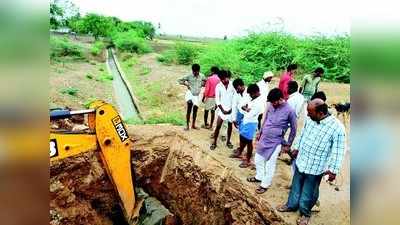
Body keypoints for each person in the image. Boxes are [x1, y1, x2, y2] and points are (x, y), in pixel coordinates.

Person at [277, 99, 346, 225]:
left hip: (316, 168)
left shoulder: (337, 128)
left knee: (308, 194)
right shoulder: (310, 120)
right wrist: (296, 148)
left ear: (320, 112)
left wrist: (333, 171)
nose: (307, 115)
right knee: (296, 187)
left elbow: (339, 151)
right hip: (301, 161)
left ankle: (305, 213)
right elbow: (302, 135)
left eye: (310, 112)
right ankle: (291, 205)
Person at [247, 88, 297, 194]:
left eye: (274, 102)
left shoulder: (290, 110)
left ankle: (265, 184)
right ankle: (259, 176)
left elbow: (294, 129)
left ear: (280, 99)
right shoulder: (270, 105)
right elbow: (265, 119)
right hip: (265, 137)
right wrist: (260, 132)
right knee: (258, 159)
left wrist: (288, 144)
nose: (272, 104)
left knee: (270, 163)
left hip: (276, 141)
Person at [230, 84, 264, 168]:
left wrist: (245, 109)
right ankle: (240, 152)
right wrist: (246, 109)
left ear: (256, 92)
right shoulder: (253, 98)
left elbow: (250, 113)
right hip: (245, 121)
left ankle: (248, 160)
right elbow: (243, 107)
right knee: (242, 137)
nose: (250, 96)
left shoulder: (260, 102)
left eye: (251, 94)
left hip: (251, 123)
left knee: (249, 142)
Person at [210, 70, 235, 150]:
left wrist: (232, 109)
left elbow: (235, 98)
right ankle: (214, 142)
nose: (224, 81)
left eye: (225, 79)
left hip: (231, 110)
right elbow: (217, 100)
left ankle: (228, 141)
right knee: (218, 126)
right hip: (222, 110)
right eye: (222, 79)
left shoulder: (233, 85)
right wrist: (222, 110)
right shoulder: (218, 86)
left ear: (228, 77)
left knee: (230, 127)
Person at [178, 64, 206, 131]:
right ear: (192, 70)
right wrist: (186, 84)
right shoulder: (189, 76)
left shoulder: (202, 76)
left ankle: (193, 125)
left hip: (197, 95)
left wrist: (202, 84)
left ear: (199, 71)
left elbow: (206, 81)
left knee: (195, 110)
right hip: (190, 94)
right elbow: (179, 80)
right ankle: (187, 125)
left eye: (196, 72)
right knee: (189, 109)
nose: (195, 73)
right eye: (194, 72)